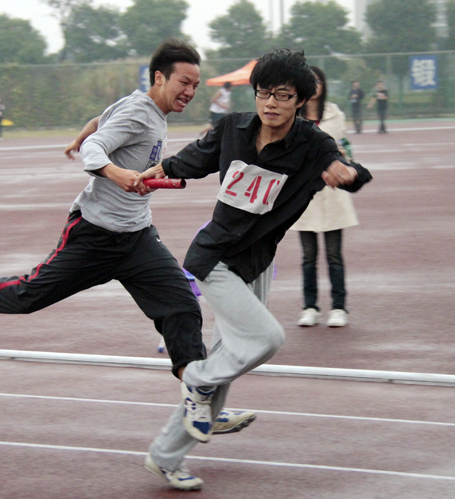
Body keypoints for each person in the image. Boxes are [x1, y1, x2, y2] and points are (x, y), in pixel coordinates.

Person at [0, 40, 254, 461]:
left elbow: (101, 123)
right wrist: (115, 171)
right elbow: (98, 148)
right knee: (29, 295)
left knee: (181, 307)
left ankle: (199, 399)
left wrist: (82, 134)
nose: (190, 92)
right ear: (159, 78)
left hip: (137, 238)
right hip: (93, 236)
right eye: (184, 82)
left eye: (196, 86)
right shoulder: (139, 112)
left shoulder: (145, 108)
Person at [136, 49, 372, 490]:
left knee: (227, 363)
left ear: (300, 99)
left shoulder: (312, 145)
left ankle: (166, 455)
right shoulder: (233, 127)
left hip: (256, 264)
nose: (271, 103)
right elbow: (194, 158)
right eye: (264, 93)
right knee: (266, 339)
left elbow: (352, 170)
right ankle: (197, 381)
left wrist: (347, 173)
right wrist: (157, 170)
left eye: (283, 95)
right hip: (214, 258)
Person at [291, 67, 360, 328]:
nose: (314, 85)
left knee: (334, 255)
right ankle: (310, 307)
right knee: (308, 256)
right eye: (309, 81)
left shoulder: (335, 114)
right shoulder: (292, 114)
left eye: (318, 80)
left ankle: (339, 308)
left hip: (332, 192)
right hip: (304, 195)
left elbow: (342, 149)